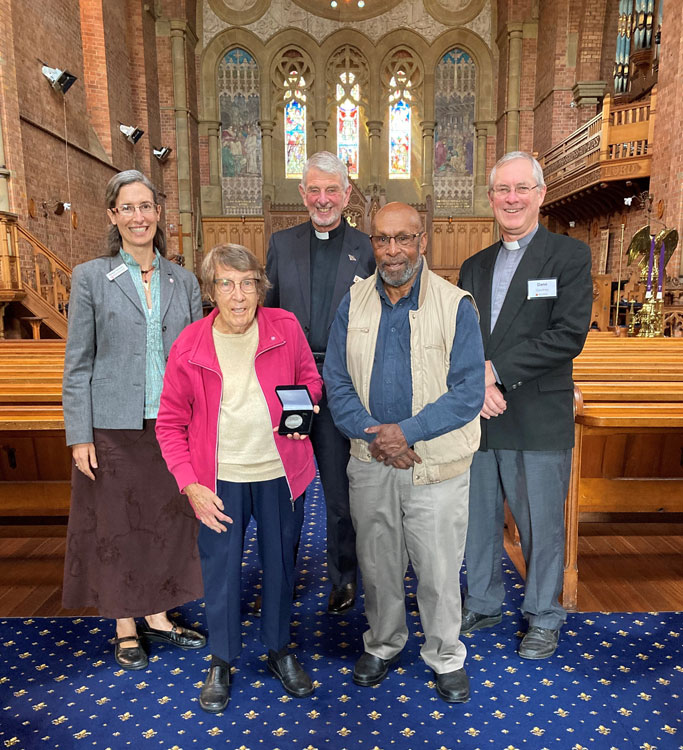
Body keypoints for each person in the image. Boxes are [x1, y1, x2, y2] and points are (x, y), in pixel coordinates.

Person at [324, 202, 485, 704]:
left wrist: (406, 433)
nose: (392, 251)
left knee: (438, 568)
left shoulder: (456, 304)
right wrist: (376, 434)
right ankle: (385, 642)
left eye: (403, 239)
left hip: (433, 463)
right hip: (371, 459)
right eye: (382, 240)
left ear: (423, 241)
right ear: (372, 244)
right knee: (378, 564)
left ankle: (444, 654)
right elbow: (336, 381)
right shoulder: (353, 302)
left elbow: (466, 392)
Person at [156, 244, 323, 713]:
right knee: (222, 573)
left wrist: (302, 404)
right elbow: (169, 424)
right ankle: (221, 659)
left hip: (279, 475)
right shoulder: (190, 344)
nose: (238, 295)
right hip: (218, 481)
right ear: (211, 290)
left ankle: (278, 649)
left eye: (247, 283)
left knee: (281, 568)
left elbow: (311, 380)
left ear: (259, 288)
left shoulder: (285, 328)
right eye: (226, 283)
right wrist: (190, 484)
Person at [61, 169, 206, 671]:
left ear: (158, 214)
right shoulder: (90, 277)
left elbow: (194, 360)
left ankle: (161, 615)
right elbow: (77, 362)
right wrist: (79, 435)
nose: (139, 216)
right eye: (128, 208)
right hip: (114, 427)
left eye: (146, 206)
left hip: (171, 427)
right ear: (112, 215)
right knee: (119, 528)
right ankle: (125, 624)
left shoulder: (182, 281)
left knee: (168, 523)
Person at [458, 152, 592, 659]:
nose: (511, 199)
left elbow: (566, 336)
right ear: (491, 198)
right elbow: (462, 338)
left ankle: (543, 614)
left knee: (540, 525)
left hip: (536, 416)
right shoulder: (474, 266)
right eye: (501, 190)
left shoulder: (568, 257)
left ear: (539, 195)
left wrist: (495, 374)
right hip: (481, 417)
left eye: (521, 189)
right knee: (479, 520)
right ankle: (486, 600)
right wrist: (477, 384)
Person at [265, 151, 375, 615]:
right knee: (284, 487)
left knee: (338, 491)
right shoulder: (281, 243)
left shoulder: (367, 247)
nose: (323, 198)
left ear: (347, 194)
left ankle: (343, 577)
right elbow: (264, 311)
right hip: (289, 383)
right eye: (315, 189)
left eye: (332, 189)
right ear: (302, 194)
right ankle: (282, 575)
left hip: (342, 386)